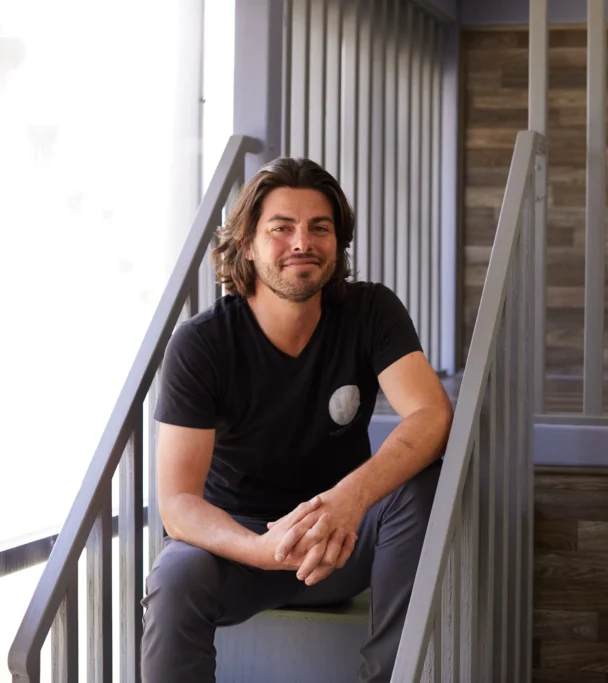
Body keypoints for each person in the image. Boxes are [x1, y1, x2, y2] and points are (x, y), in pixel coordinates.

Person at [139, 157, 453, 683]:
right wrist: (259, 550)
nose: (302, 242)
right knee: (175, 574)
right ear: (247, 243)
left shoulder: (370, 311)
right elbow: (177, 505)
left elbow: (431, 414)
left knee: (419, 486)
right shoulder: (202, 344)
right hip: (240, 551)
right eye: (281, 228)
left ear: (337, 242)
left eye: (319, 228)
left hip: (341, 544)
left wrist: (349, 500)